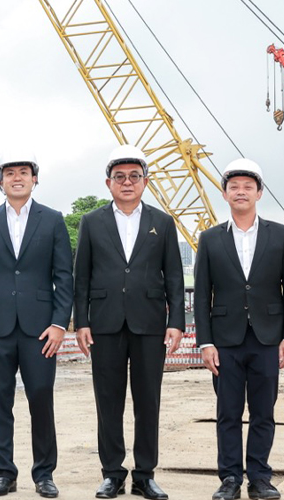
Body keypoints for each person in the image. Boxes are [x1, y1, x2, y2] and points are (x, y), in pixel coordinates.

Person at [74, 145, 185, 500]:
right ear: (108, 183)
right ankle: (112, 474)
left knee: (148, 400)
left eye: (134, 176)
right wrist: (81, 322)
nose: (127, 182)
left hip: (149, 323)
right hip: (104, 323)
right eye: (119, 177)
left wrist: (176, 321)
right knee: (108, 401)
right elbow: (81, 277)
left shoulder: (162, 223)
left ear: (145, 182)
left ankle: (145, 475)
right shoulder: (92, 222)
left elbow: (174, 277)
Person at [0, 152, 73, 498]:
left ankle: (44, 473)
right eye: (10, 173)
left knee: (41, 398)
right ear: (1, 181)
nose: (17, 178)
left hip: (40, 330)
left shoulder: (52, 220)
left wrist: (59, 323)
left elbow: (64, 276)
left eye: (23, 172)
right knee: (0, 401)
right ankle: (4, 473)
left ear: (34, 179)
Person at [194, 159, 284, 500]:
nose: (241, 192)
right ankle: (229, 479)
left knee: (263, 413)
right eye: (234, 187)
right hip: (224, 340)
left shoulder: (280, 235)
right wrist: (205, 342)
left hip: (267, 338)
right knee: (227, 413)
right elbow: (202, 294)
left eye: (247, 187)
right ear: (225, 193)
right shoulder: (210, 239)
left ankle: (260, 478)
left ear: (259, 193)